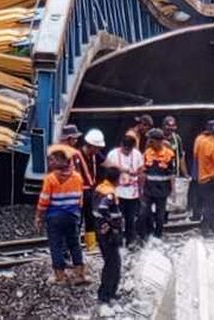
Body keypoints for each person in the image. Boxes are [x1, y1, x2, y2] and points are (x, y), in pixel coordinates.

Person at [35, 150, 88, 285]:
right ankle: (80, 274)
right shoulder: (77, 177)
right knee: (74, 244)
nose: (50, 163)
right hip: (72, 215)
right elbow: (79, 199)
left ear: (60, 162)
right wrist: (76, 213)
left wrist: (39, 217)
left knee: (56, 245)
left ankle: (60, 277)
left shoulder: (50, 179)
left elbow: (44, 200)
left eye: (52, 160)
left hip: (54, 217)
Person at [92, 165, 125, 304]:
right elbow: (103, 209)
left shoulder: (100, 188)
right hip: (109, 233)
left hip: (100, 231)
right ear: (116, 179)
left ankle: (109, 292)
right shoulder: (110, 193)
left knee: (111, 262)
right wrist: (112, 225)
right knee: (113, 264)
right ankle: (106, 294)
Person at [104, 134, 143, 246]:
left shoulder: (137, 154)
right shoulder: (113, 154)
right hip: (117, 192)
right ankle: (118, 242)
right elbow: (106, 170)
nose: (127, 151)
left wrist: (140, 190)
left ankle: (130, 242)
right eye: (125, 149)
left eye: (129, 149)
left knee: (130, 219)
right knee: (117, 219)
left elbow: (141, 170)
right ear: (121, 145)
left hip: (132, 193)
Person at [142, 128, 175, 240]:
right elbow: (143, 172)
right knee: (146, 212)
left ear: (159, 141)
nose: (150, 143)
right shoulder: (147, 153)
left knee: (160, 216)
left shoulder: (169, 154)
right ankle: (149, 233)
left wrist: (173, 191)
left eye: (152, 141)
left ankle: (158, 236)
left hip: (163, 189)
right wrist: (141, 188)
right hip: (149, 188)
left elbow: (172, 174)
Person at [79, 128, 106, 249]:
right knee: (78, 220)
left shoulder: (95, 155)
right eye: (97, 148)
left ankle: (90, 246)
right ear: (91, 145)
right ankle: (75, 247)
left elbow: (106, 162)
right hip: (79, 193)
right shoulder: (77, 155)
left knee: (91, 218)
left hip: (90, 192)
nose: (98, 150)